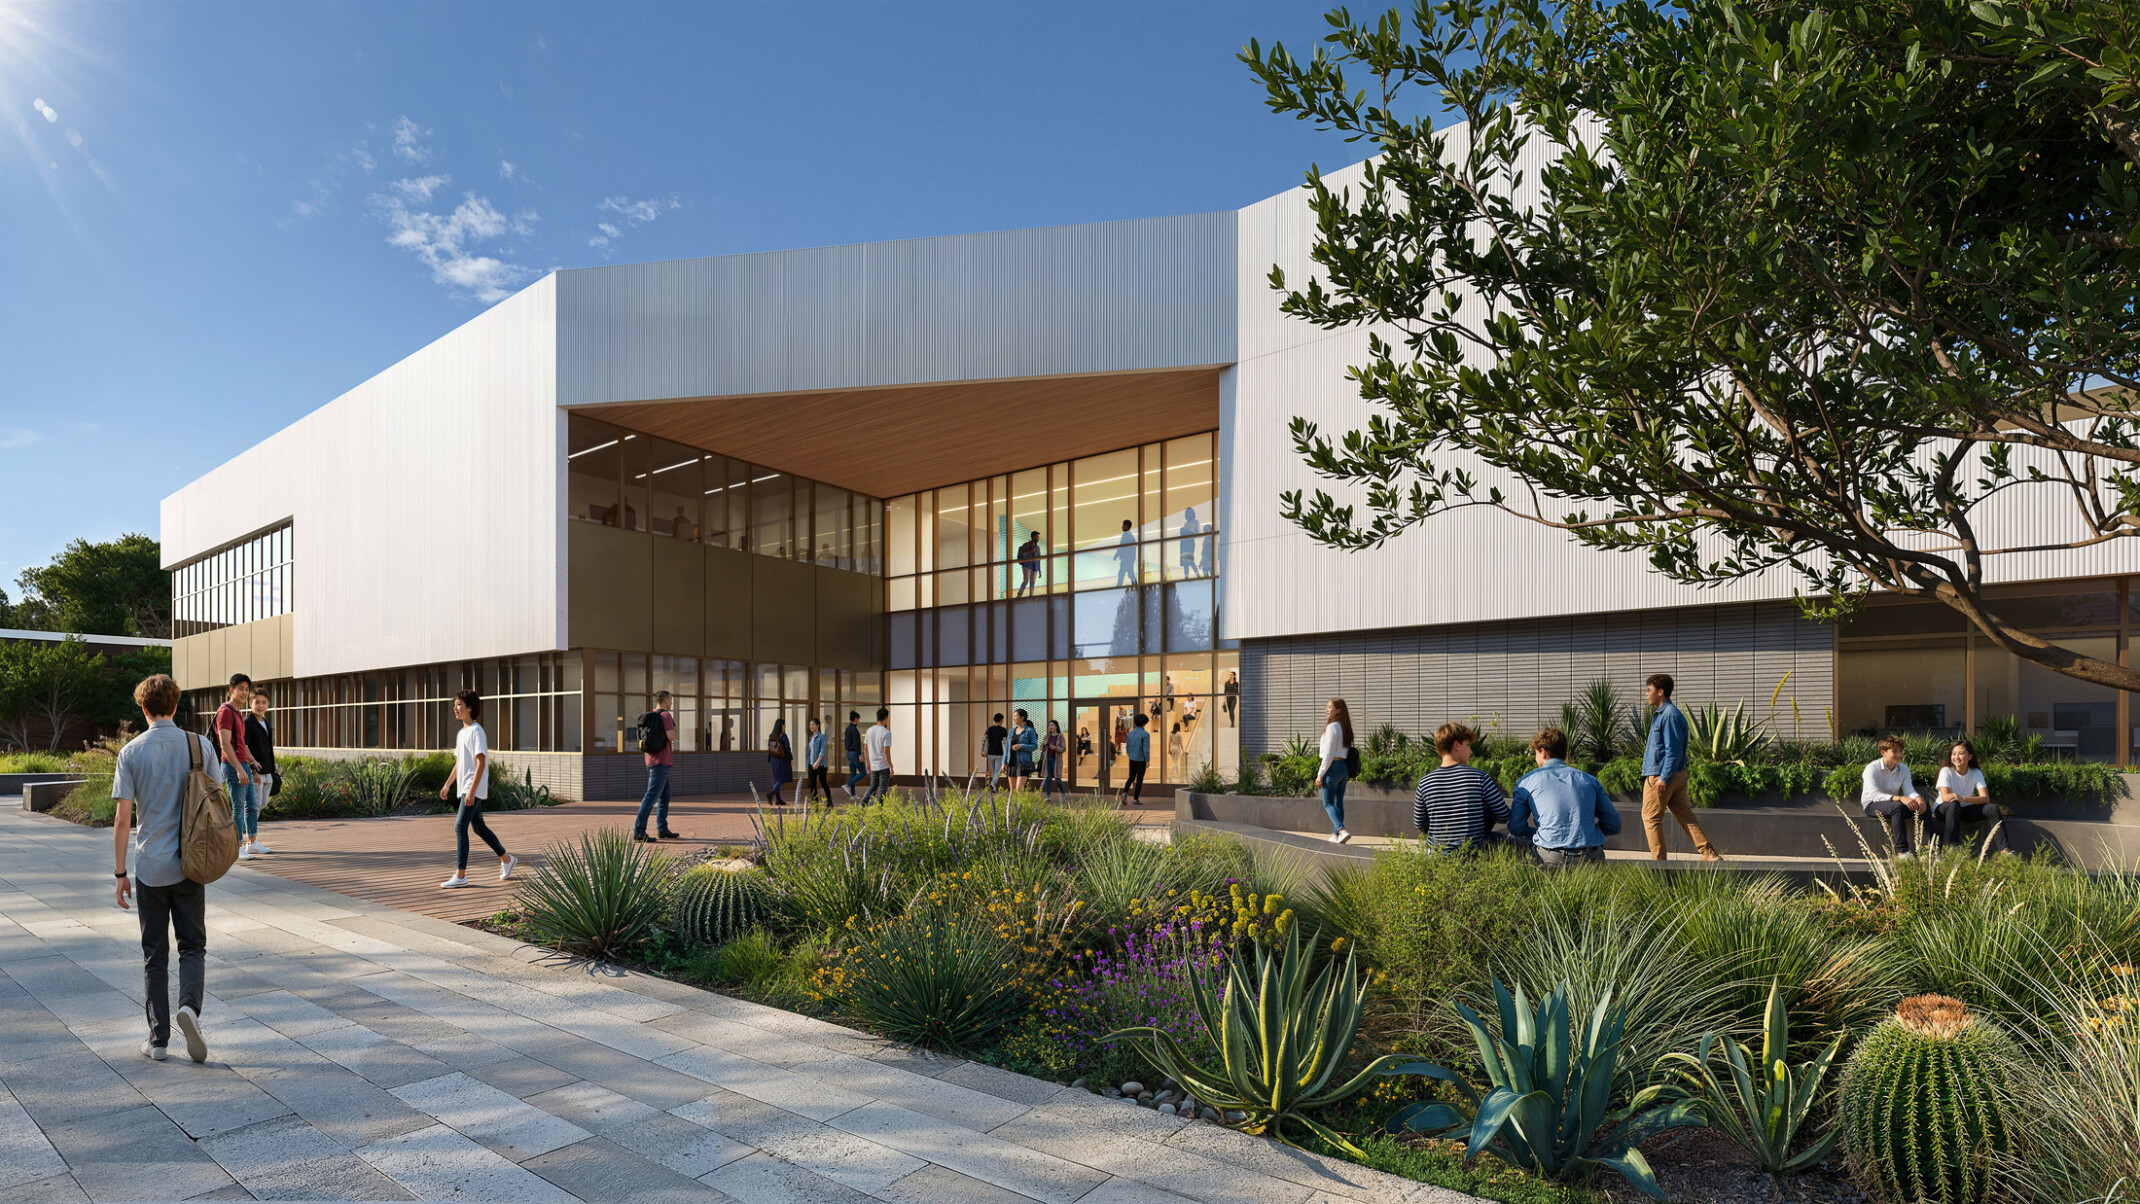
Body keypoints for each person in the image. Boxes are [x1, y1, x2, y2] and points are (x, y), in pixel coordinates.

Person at [112, 673, 220, 1064]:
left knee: (153, 953)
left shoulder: (131, 752)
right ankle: (189, 1008)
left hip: (150, 868)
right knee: (192, 946)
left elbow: (123, 819)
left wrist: (120, 873)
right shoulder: (200, 745)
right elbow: (217, 800)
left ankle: (158, 1041)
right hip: (191, 865)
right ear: (176, 706)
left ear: (143, 708)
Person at [1510, 727, 1622, 867]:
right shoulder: (1590, 781)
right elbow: (1614, 824)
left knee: (1514, 844)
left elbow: (1516, 827)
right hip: (1590, 858)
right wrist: (1588, 832)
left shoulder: (1526, 782)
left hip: (1551, 858)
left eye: (1536, 753)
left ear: (1543, 752)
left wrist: (1543, 833)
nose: (1535, 758)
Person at [439, 690, 516, 889]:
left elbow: (480, 762)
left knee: (459, 827)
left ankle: (461, 875)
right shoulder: (462, 732)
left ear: (469, 707)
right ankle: (507, 860)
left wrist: (472, 791)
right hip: (466, 786)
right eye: (454, 705)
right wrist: (447, 784)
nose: (455, 708)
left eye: (458, 704)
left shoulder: (476, 731)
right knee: (478, 827)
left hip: (472, 786)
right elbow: (459, 763)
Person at [1640, 674, 1721, 861]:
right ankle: (1708, 853)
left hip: (1662, 776)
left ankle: (1659, 866)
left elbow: (1673, 750)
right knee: (1686, 817)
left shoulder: (1668, 715)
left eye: (1649, 690)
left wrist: (1663, 777)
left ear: (1660, 692)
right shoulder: (1668, 714)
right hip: (1676, 776)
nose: (1646, 694)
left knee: (1651, 819)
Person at [1413, 722, 1511, 851]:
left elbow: (1419, 824)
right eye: (1468, 745)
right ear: (1457, 745)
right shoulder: (1479, 778)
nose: (1470, 751)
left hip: (1437, 855)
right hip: (1472, 854)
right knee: (1502, 839)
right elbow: (1504, 815)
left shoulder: (1424, 783)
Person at [213, 674, 266, 861]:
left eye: (246, 689)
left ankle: (252, 842)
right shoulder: (225, 712)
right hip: (232, 765)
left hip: (243, 764)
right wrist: (239, 769)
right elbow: (225, 744)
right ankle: (236, 846)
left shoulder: (237, 713)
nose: (244, 692)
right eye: (240, 688)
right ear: (231, 690)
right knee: (238, 807)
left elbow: (241, 744)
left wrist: (251, 763)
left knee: (252, 805)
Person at [1936, 739, 2012, 856]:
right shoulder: (1946, 771)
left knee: (1992, 808)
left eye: (1961, 753)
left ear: (1970, 756)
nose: (1956, 757)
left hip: (1964, 809)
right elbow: (1945, 797)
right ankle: (1953, 847)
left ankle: (2005, 851)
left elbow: (1985, 798)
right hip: (1944, 809)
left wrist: (1963, 798)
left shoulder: (1976, 773)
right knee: (1954, 804)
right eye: (1954, 753)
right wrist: (1959, 800)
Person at [1861, 734, 1929, 858]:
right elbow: (1874, 795)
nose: (1899, 755)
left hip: (1893, 804)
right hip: (1872, 805)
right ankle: (1902, 853)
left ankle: (1929, 850)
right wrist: (1900, 798)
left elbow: (1908, 790)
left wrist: (1918, 798)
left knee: (1924, 806)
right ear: (1883, 752)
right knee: (1897, 807)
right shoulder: (1872, 769)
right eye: (1894, 751)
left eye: (1900, 751)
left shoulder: (1904, 769)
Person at [632, 690, 681, 843]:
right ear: (665, 700)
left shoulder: (651, 715)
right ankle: (639, 831)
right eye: (671, 700)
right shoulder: (665, 715)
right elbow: (671, 736)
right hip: (662, 762)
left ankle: (663, 829)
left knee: (665, 797)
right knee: (651, 797)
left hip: (651, 760)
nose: (671, 703)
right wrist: (675, 732)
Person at [1316, 698, 1357, 843]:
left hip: (1332, 767)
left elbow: (1328, 754)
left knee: (1327, 803)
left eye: (1330, 707)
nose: (1327, 710)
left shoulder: (1332, 727)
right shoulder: (1344, 727)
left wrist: (1320, 774)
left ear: (1338, 710)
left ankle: (1341, 830)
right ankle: (1336, 836)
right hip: (1343, 768)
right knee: (1338, 802)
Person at [244, 690, 279, 835]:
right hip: (255, 771)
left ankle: (249, 833)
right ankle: (248, 836)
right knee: (254, 805)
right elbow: (244, 746)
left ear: (268, 704)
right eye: (257, 702)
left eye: (264, 702)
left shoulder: (265, 722)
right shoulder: (247, 722)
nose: (260, 706)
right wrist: (252, 767)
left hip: (268, 770)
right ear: (250, 703)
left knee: (262, 804)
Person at [860, 708, 895, 804]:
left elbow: (865, 748)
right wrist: (891, 766)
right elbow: (886, 752)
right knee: (883, 789)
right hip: (883, 766)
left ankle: (862, 805)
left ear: (877, 717)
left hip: (873, 765)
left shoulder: (869, 731)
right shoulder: (886, 733)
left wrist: (867, 763)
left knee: (873, 786)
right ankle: (879, 810)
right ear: (886, 718)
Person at [1119, 711, 1152, 806]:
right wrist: (1148, 760)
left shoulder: (1130, 734)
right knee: (1139, 779)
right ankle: (1135, 799)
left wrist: (1130, 755)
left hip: (1132, 759)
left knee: (1131, 777)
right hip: (1141, 760)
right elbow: (1146, 749)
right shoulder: (1145, 734)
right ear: (1145, 723)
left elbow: (1128, 747)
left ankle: (1125, 792)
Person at [1007, 708, 1039, 792]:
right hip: (1012, 763)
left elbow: (1034, 746)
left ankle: (1021, 805)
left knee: (1019, 790)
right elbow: (1008, 748)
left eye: (1015, 716)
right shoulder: (1012, 731)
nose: (1013, 718)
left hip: (1023, 763)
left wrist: (1021, 746)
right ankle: (1015, 805)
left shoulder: (1029, 731)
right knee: (1013, 791)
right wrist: (1004, 763)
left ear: (1022, 718)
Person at [804, 717, 832, 804]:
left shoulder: (822, 737)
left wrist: (817, 762)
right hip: (811, 764)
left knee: (823, 783)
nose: (810, 726)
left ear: (818, 725)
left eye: (812, 724)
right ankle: (814, 804)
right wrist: (807, 764)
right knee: (812, 785)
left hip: (821, 765)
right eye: (810, 725)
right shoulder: (811, 737)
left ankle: (829, 801)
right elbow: (809, 752)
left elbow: (822, 751)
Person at [766, 717, 794, 804]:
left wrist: (770, 759)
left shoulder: (771, 736)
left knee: (776, 779)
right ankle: (771, 794)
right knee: (781, 779)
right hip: (782, 760)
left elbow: (769, 748)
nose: (785, 727)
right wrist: (791, 758)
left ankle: (778, 800)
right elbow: (787, 748)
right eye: (784, 725)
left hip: (774, 760)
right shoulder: (783, 735)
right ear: (782, 726)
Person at [1040, 719, 1067, 801]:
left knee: (1057, 779)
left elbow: (1063, 749)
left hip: (1056, 760)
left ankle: (1063, 796)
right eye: (1049, 725)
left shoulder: (1060, 736)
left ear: (1056, 727)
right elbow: (1042, 748)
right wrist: (1043, 745)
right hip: (1047, 759)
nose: (1050, 727)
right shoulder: (1047, 736)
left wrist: (1055, 748)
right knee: (1048, 778)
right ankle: (1048, 797)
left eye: (1052, 725)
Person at [982, 713, 1009, 791]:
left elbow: (985, 740)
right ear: (1001, 720)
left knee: (994, 770)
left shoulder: (989, 729)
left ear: (994, 720)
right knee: (998, 770)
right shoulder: (1003, 730)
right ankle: (993, 783)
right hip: (998, 753)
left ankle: (993, 787)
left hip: (990, 753)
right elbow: (1005, 741)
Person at [843, 710, 866, 799]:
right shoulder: (855, 730)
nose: (859, 721)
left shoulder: (847, 729)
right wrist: (860, 754)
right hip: (855, 753)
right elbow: (857, 743)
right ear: (856, 719)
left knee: (853, 774)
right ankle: (847, 785)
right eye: (859, 719)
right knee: (863, 772)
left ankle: (853, 795)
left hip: (849, 754)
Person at [1114, 518, 1139, 586]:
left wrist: (1116, 556)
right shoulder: (1131, 536)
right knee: (1129, 573)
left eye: (1123, 525)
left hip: (1126, 559)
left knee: (1122, 573)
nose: (1122, 527)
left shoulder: (1126, 535)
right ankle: (1135, 585)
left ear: (1127, 526)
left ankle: (1118, 587)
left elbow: (1122, 546)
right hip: (1129, 559)